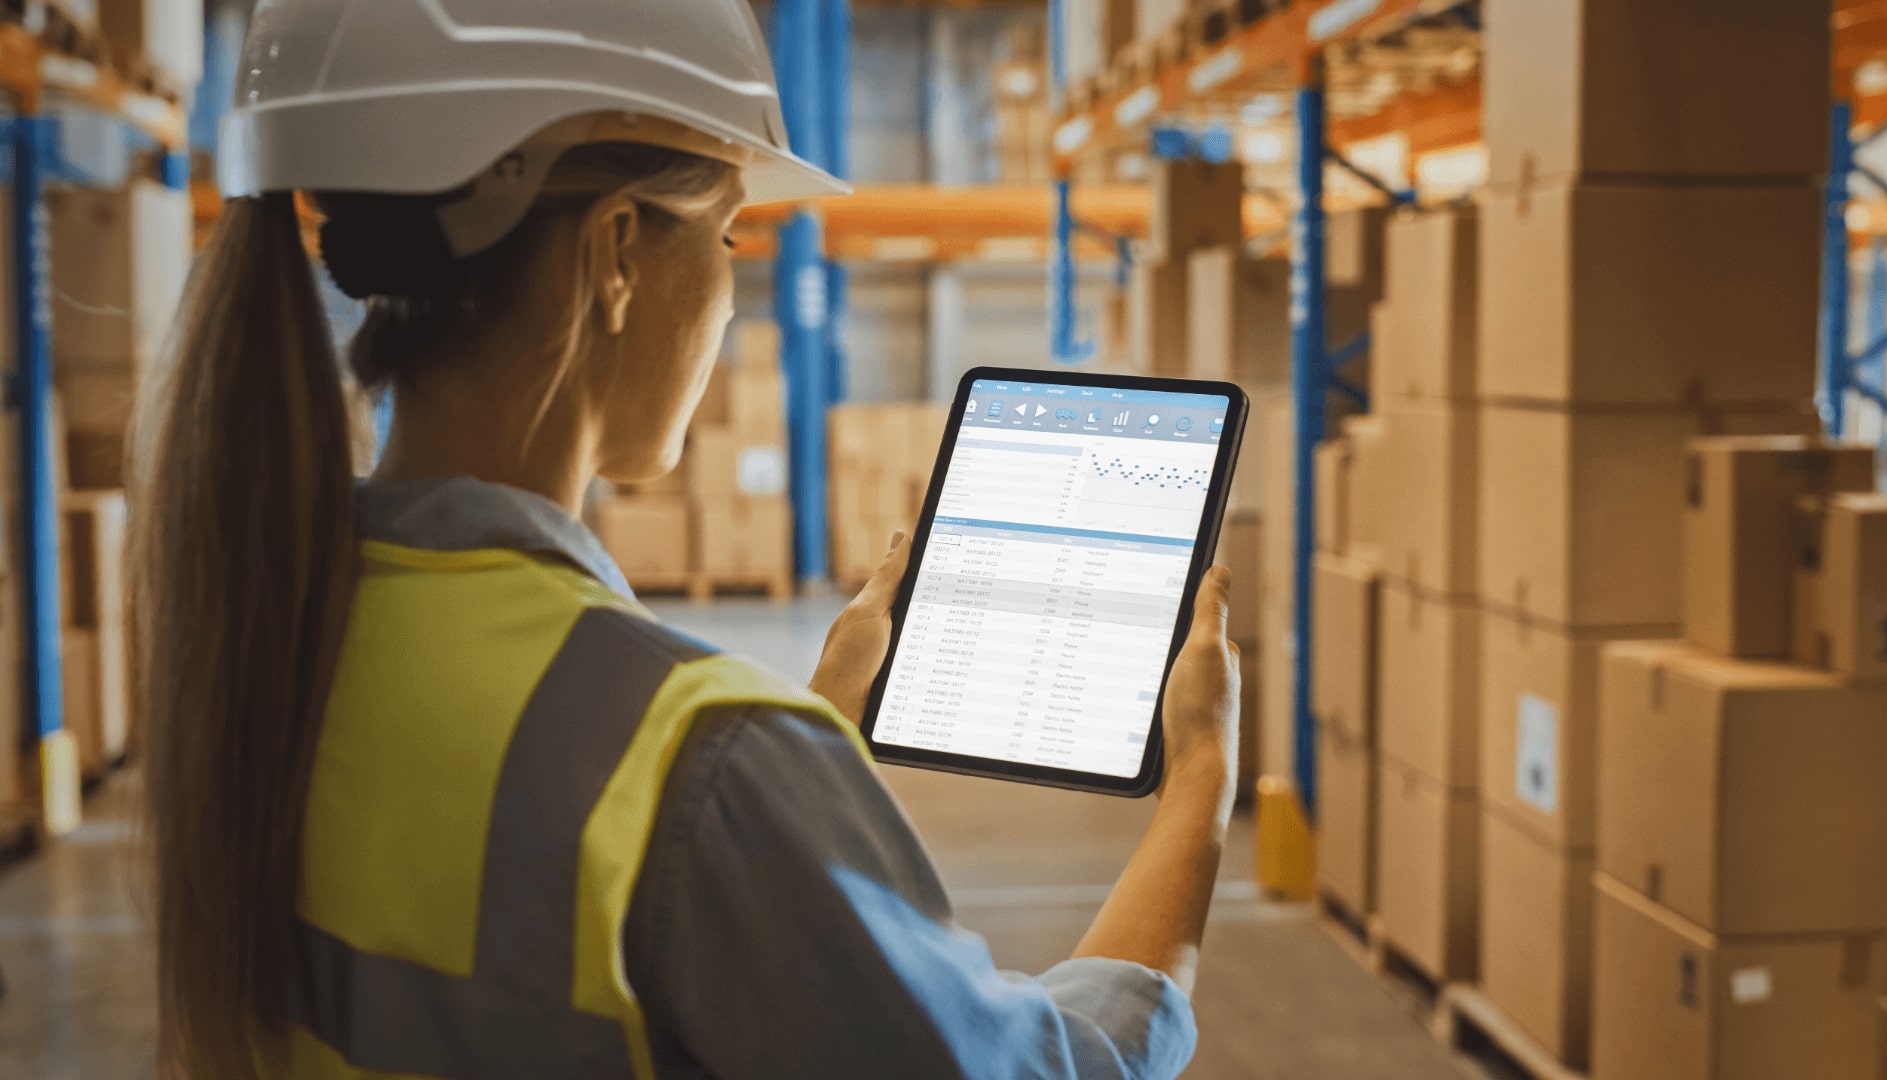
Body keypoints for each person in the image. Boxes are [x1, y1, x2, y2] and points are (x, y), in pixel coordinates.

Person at [134, 2, 1241, 1077]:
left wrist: (805, 745)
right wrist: (1197, 780)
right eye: (727, 234)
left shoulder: (269, 619)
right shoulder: (694, 763)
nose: (726, 289)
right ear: (618, 254)